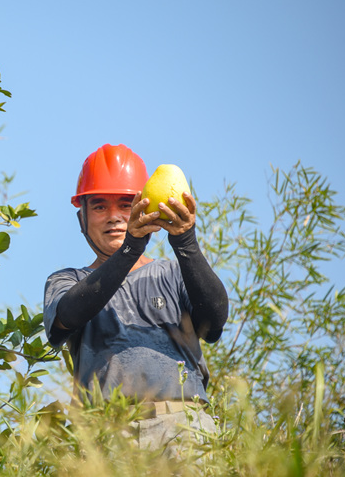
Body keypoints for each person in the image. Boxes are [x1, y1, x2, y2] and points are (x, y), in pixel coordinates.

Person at [43, 143, 229, 452]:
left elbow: (214, 321)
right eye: (99, 207)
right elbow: (69, 315)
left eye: (126, 205)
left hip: (183, 430)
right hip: (107, 435)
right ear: (82, 218)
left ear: (148, 208)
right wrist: (131, 248)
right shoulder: (67, 281)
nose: (114, 217)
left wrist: (185, 242)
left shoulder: (175, 274)